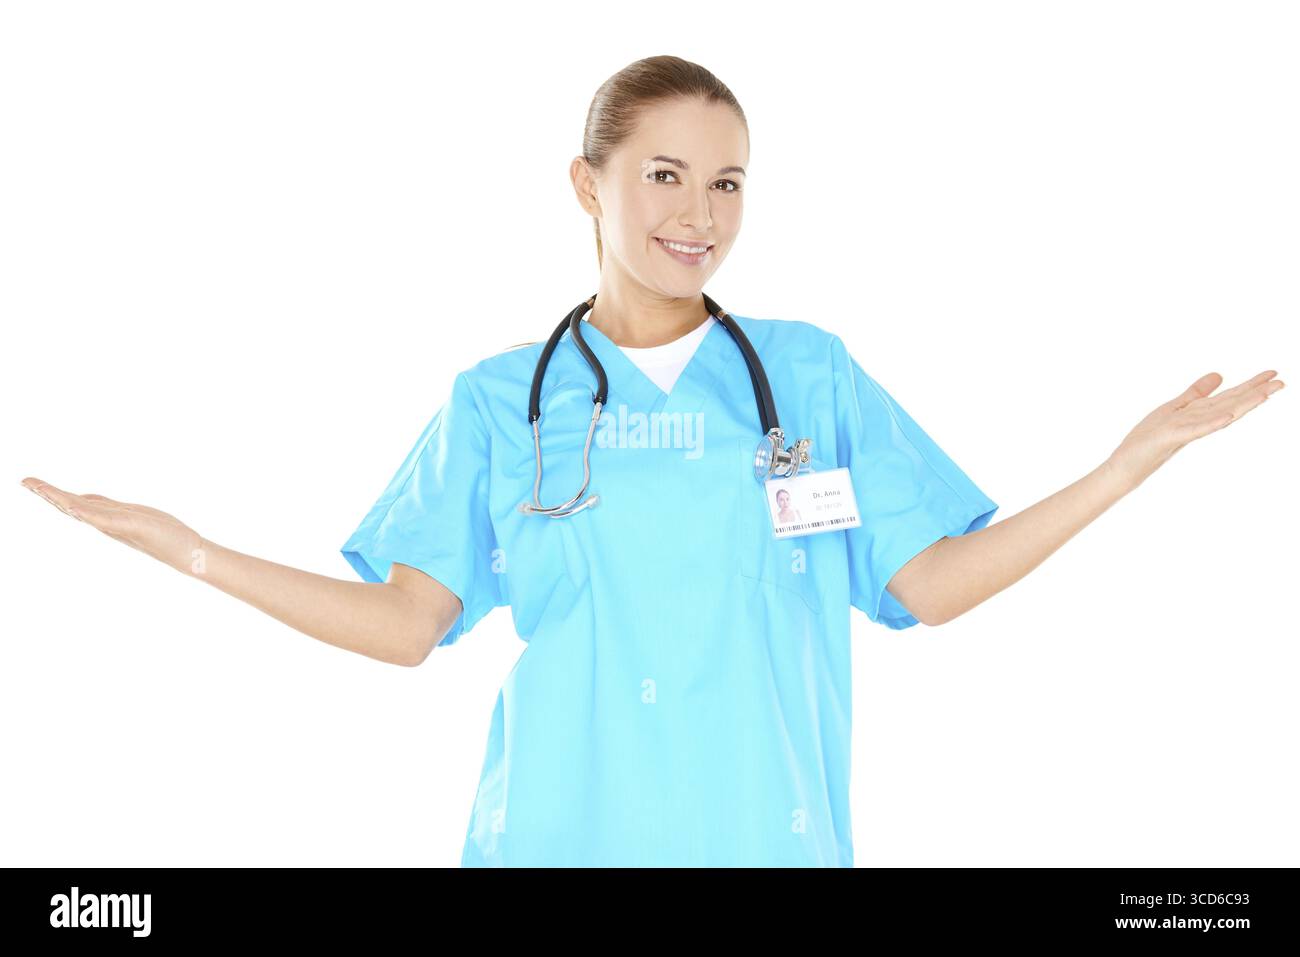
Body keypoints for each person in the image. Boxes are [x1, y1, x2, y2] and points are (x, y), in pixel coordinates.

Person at [20, 55, 1284, 868]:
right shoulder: (500, 400)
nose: (701, 216)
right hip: (552, 841)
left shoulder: (805, 375)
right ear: (588, 182)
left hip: (767, 843)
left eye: (728, 182)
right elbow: (410, 625)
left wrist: (1124, 469)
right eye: (665, 175)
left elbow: (928, 586)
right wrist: (189, 551)